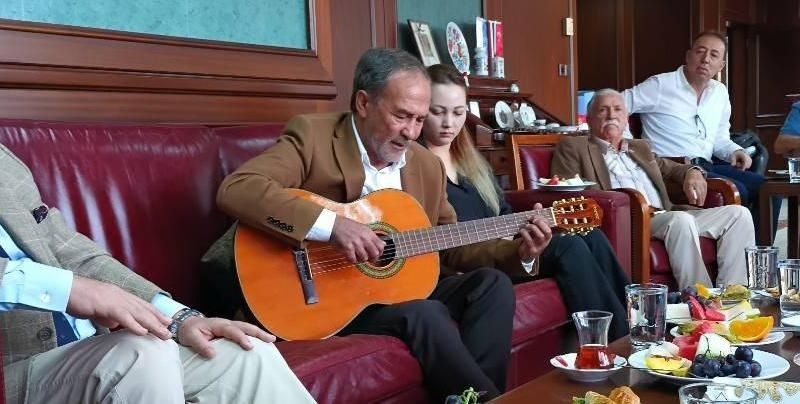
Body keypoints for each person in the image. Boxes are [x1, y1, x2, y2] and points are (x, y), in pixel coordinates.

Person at [201, 48, 554, 402]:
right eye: (401, 116)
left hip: (392, 292)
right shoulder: (313, 136)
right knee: (424, 312)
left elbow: (450, 245)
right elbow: (239, 188)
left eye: (419, 119)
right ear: (363, 103)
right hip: (321, 300)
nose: (411, 132)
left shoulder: (426, 165)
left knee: (492, 285)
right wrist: (332, 226)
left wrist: (521, 252)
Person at [0, 145, 315, 404]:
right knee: (139, 354)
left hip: (88, 349)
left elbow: (71, 251)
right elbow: (75, 287)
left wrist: (177, 319)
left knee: (246, 352)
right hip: (14, 369)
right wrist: (69, 289)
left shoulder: (5, 161)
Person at [418, 64, 629, 339]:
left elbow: (503, 210)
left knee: (591, 235)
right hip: (472, 260)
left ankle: (635, 320)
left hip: (506, 246)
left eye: (458, 113)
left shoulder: (472, 161)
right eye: (438, 112)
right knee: (568, 247)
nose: (449, 123)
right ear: (421, 109)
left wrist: (530, 223)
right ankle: (614, 341)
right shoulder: (416, 166)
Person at [551, 89, 754, 290]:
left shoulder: (639, 147)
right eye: (603, 110)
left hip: (666, 214)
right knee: (680, 221)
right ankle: (701, 298)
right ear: (589, 119)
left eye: (617, 109)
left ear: (626, 118)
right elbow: (568, 191)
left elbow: (671, 168)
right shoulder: (574, 147)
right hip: (631, 220)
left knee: (738, 215)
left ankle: (733, 294)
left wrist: (693, 171)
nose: (611, 115)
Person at [621, 31, 774, 231]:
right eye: (700, 52)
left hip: (706, 165)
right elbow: (617, 104)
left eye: (713, 55)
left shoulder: (719, 92)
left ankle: (758, 247)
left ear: (721, 65)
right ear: (688, 56)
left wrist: (735, 151)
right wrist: (631, 145)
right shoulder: (660, 85)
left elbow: (719, 137)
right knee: (739, 190)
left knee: (769, 189)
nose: (705, 59)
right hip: (672, 168)